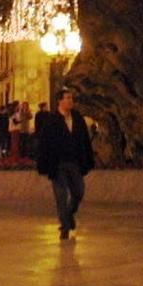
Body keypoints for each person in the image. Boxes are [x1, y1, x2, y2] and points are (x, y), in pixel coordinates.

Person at [32, 89, 95, 239]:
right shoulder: (52, 120)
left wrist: (87, 159)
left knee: (78, 192)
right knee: (61, 195)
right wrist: (44, 163)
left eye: (71, 98)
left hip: (74, 162)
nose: (70, 101)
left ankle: (69, 214)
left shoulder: (77, 118)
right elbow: (44, 143)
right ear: (59, 101)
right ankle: (65, 226)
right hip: (58, 163)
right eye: (67, 98)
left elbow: (84, 140)